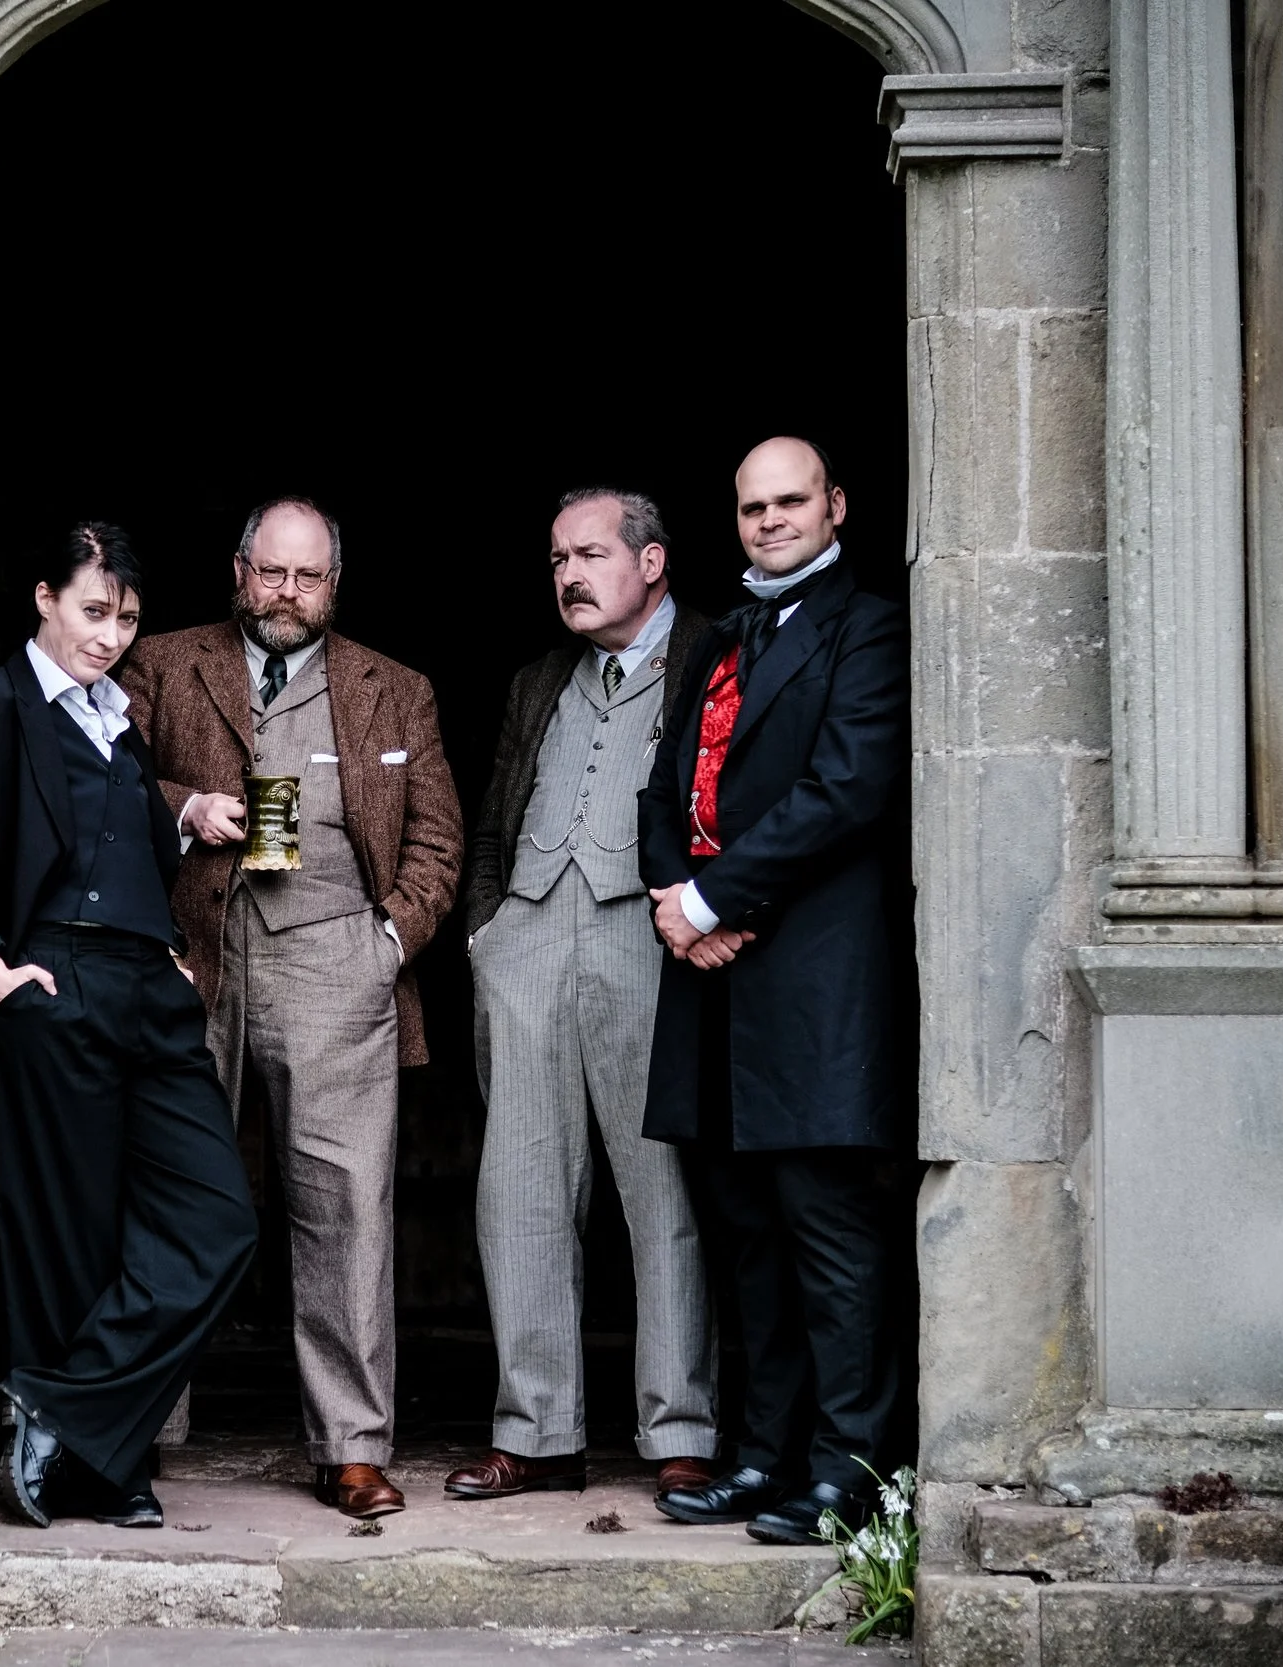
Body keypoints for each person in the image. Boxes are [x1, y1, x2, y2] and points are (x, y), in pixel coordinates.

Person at [121, 497, 463, 1520]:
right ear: (237, 570)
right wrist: (183, 804)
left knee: (345, 1206)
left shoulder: (393, 690)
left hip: (335, 964)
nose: (286, 593)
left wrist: (385, 942)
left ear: (334, 584)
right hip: (194, 958)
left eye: (306, 577)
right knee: (170, 1194)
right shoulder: (163, 662)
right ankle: (140, 1425)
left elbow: (439, 843)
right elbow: (101, 780)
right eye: (270, 572)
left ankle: (350, 1444)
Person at [641, 438, 912, 1545]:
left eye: (790, 500)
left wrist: (709, 900)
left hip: (810, 986)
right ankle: (762, 1458)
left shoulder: (871, 625)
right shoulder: (720, 634)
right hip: (714, 991)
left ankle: (848, 1471)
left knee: (831, 1240)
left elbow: (845, 788)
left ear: (834, 505)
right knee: (746, 1235)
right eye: (752, 506)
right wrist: (670, 893)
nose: (769, 520)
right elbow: (667, 783)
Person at [0, 522, 260, 1532]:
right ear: (45, 597)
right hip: (57, 978)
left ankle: (68, 1410)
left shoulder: (118, 719)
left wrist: (171, 941)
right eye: (94, 611)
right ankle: (102, 1458)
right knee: (71, 1235)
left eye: (125, 618)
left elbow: (127, 833)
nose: (109, 634)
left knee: (218, 1220)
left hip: (149, 985)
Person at [445, 488, 720, 1505]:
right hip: (523, 940)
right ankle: (537, 1430)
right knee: (515, 1194)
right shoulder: (534, 680)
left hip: (645, 943)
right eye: (557, 558)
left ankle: (679, 1427)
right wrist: (486, 933)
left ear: (650, 561)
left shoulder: (710, 654)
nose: (567, 574)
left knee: (664, 1193)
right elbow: (488, 822)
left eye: (590, 553)